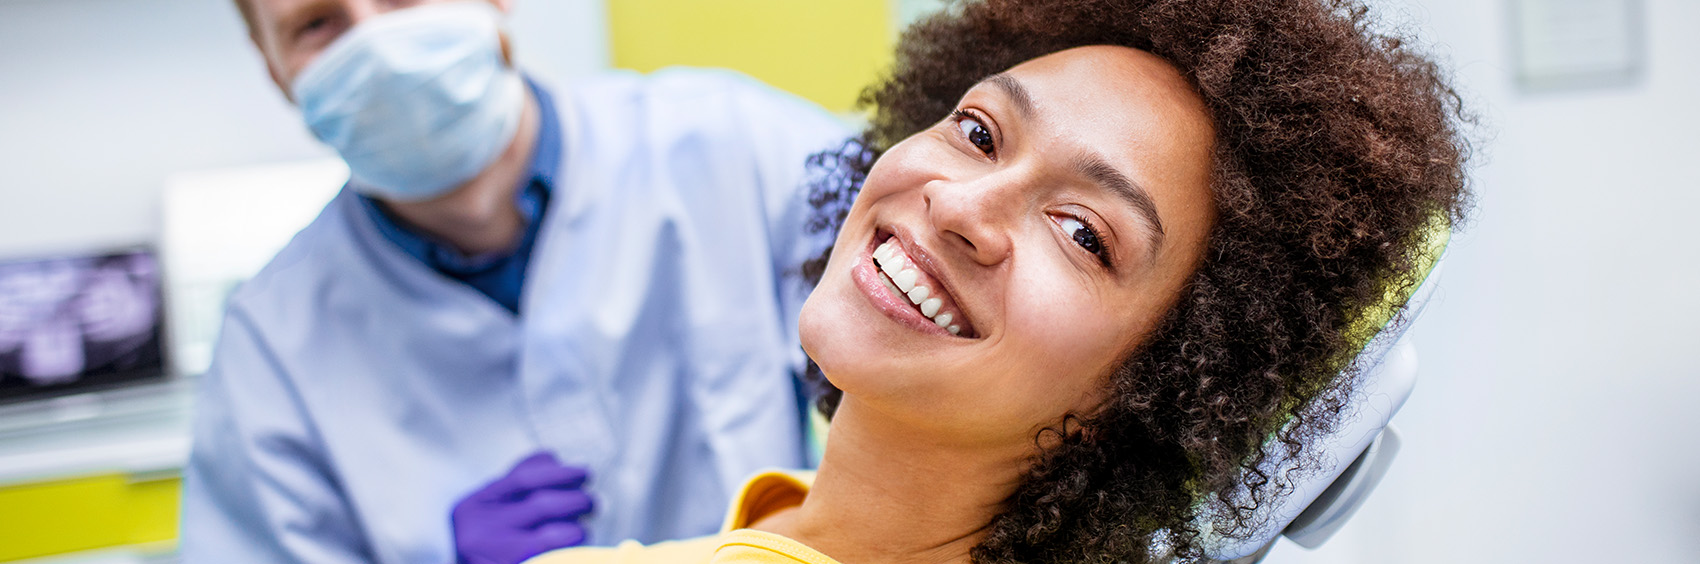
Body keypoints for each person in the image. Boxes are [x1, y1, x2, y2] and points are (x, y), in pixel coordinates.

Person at [521, 0, 1472, 562]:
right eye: (979, 133)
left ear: (1163, 391)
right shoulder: (778, 520)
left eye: (1082, 234)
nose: (962, 207)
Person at [178, 0, 850, 562]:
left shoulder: (737, 147)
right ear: (273, 68)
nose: (377, 44)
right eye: (317, 24)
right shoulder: (266, 350)